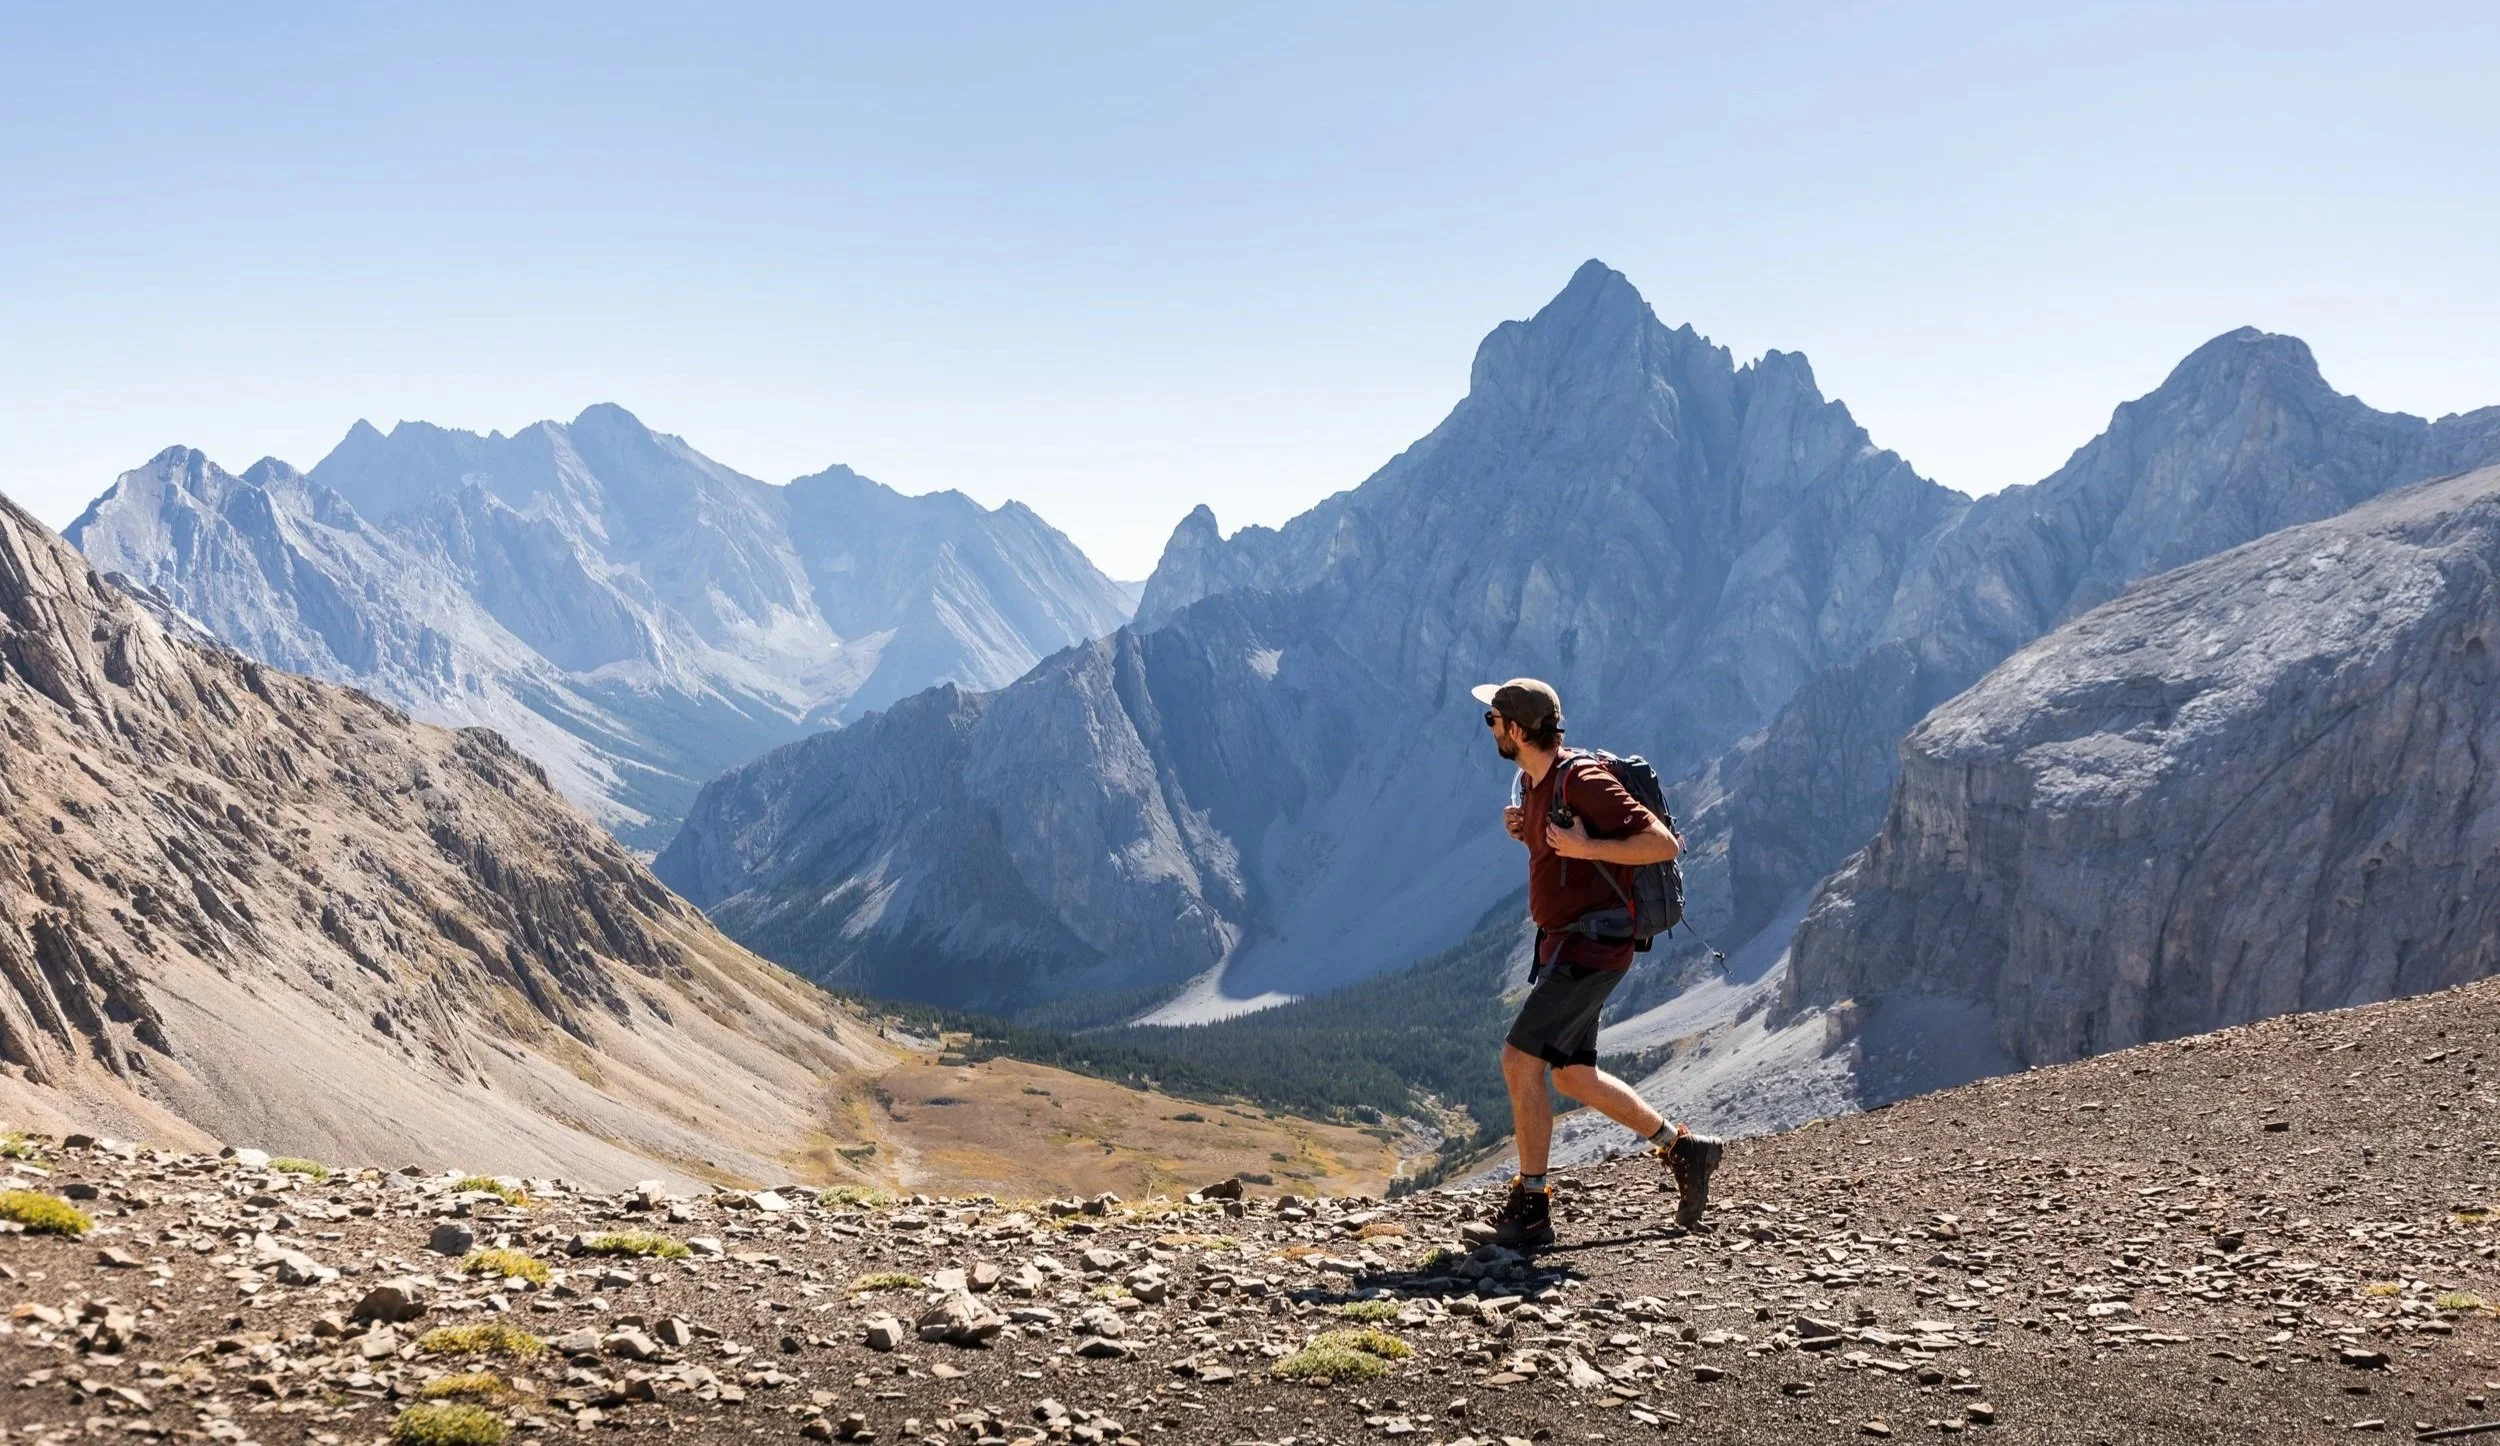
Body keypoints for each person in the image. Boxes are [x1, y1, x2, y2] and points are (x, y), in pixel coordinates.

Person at [1469, 677, 1723, 1247]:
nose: (1489, 728)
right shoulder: (1536, 784)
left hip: (1592, 947)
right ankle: (1687, 1150)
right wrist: (1527, 834)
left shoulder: (1581, 778)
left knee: (1518, 1061)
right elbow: (1562, 859)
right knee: (1574, 1075)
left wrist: (1588, 848)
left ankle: (1532, 1210)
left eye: (1494, 720)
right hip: (1567, 943)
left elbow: (1661, 843)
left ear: (1515, 728)